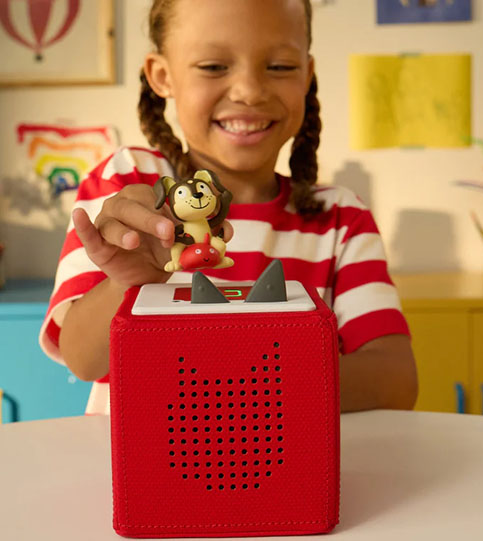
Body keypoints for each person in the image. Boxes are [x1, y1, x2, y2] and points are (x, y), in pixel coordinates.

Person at [39, 0, 417, 415]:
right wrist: (126, 284)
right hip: (135, 475)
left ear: (307, 75)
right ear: (163, 76)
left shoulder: (341, 218)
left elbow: (395, 380)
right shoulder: (130, 184)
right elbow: (82, 358)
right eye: (214, 66)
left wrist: (234, 385)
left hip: (286, 474)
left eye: (279, 66)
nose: (250, 91)